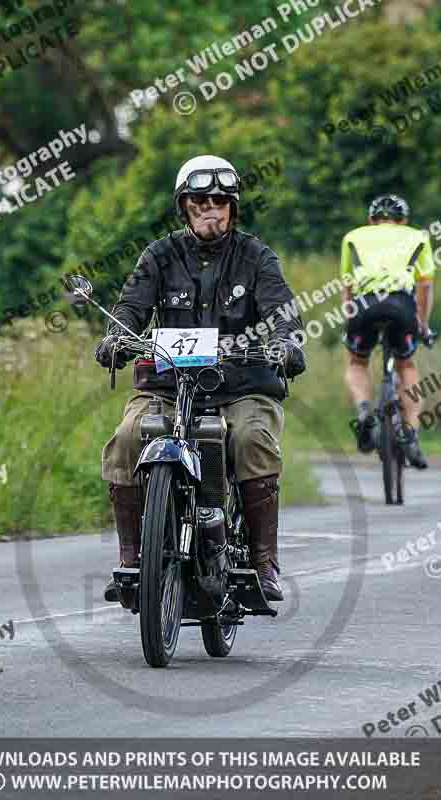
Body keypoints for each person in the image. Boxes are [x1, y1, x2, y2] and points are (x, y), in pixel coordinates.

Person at [95, 154, 306, 603]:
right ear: (184, 207)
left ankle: (262, 561)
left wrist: (288, 343)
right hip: (169, 385)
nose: (211, 209)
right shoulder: (158, 255)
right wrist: (116, 336)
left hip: (242, 384)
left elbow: (283, 310)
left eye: (219, 201)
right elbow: (130, 307)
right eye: (199, 201)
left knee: (251, 437)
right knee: (129, 434)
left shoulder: (257, 257)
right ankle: (133, 559)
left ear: (232, 207)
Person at [340, 193, 436, 468]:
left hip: (364, 304)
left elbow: (347, 284)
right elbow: (425, 285)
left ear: (371, 219)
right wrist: (422, 323)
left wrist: (349, 318)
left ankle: (363, 412)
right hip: (401, 305)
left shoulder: (352, 236)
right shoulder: (418, 236)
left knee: (357, 361)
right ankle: (412, 434)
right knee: (407, 365)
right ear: (403, 220)